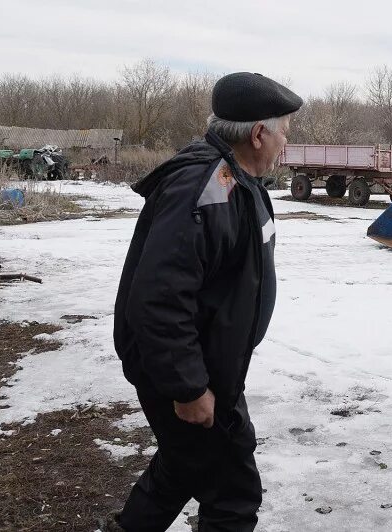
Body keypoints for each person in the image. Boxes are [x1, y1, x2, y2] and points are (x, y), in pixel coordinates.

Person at [108, 72, 302, 532]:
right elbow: (158, 300)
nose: (285, 143)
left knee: (182, 466)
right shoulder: (206, 189)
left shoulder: (237, 179)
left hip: (211, 366)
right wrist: (189, 389)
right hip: (185, 372)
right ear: (258, 134)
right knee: (233, 495)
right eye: (283, 133)